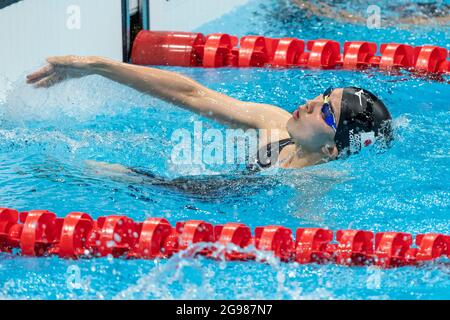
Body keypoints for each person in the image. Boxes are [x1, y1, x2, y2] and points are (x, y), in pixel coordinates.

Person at [26, 55, 393, 175]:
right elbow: (191, 93)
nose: (313, 102)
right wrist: (97, 66)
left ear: (332, 150)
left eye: (326, 111)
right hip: (176, 195)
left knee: (69, 169)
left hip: (197, 216)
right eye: (324, 94)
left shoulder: (313, 189)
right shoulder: (275, 122)